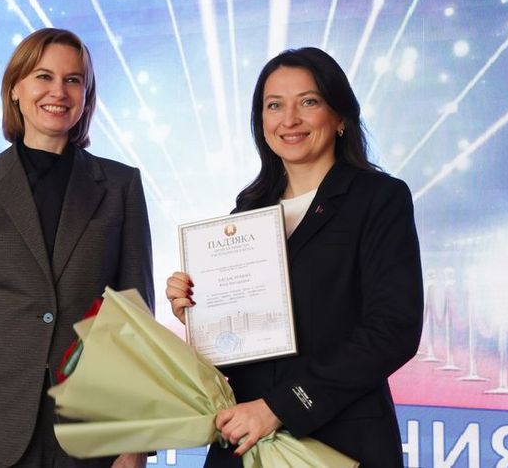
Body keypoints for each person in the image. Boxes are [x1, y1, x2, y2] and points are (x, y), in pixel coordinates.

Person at [165, 47, 423, 467]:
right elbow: (245, 350)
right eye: (274, 105)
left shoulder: (379, 199)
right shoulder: (246, 213)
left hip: (340, 441)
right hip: (244, 441)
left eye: (308, 102)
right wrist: (200, 314)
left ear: (340, 117)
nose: (289, 119)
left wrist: (280, 407)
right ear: (261, 122)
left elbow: (393, 330)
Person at [0, 28, 154, 468]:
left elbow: (136, 320)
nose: (59, 92)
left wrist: (135, 445)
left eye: (73, 80)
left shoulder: (120, 185)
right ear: (15, 88)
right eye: (43, 77)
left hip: (96, 431)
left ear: (87, 96)